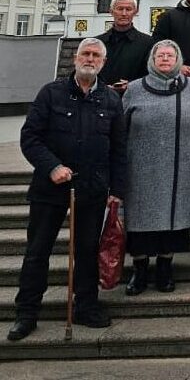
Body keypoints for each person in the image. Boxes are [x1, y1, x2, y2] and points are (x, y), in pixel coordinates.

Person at [8, 39, 126, 341]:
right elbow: (30, 137)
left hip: (91, 187)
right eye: (85, 54)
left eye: (96, 55)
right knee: (38, 251)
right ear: (76, 58)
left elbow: (118, 149)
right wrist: (52, 166)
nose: (90, 59)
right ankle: (27, 312)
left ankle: (86, 305)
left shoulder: (111, 100)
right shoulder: (52, 93)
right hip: (51, 187)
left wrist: (117, 188)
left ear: (103, 61)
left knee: (86, 250)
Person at [122, 40, 190, 295]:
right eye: (160, 55)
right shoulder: (134, 89)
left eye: (170, 56)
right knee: (139, 222)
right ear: (152, 59)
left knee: (171, 223)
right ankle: (139, 270)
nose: (164, 59)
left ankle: (164, 268)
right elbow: (120, 129)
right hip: (140, 169)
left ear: (178, 60)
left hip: (178, 168)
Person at [96, 0, 152, 94]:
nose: (124, 13)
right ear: (111, 11)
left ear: (135, 12)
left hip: (134, 98)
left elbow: (152, 74)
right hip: (101, 98)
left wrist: (131, 85)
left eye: (128, 9)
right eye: (120, 9)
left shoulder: (147, 43)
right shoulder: (98, 43)